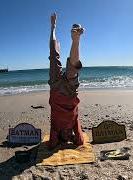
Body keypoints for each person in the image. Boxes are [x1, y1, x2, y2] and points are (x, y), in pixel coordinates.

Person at [48, 12, 85, 149]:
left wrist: (57, 139)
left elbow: (52, 144)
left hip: (56, 87)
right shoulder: (74, 124)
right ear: (71, 135)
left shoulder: (55, 129)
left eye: (66, 135)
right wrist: (74, 136)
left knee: (53, 56)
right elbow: (80, 141)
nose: (68, 133)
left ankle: (53, 27)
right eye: (70, 134)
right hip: (70, 92)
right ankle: (76, 40)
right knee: (73, 69)